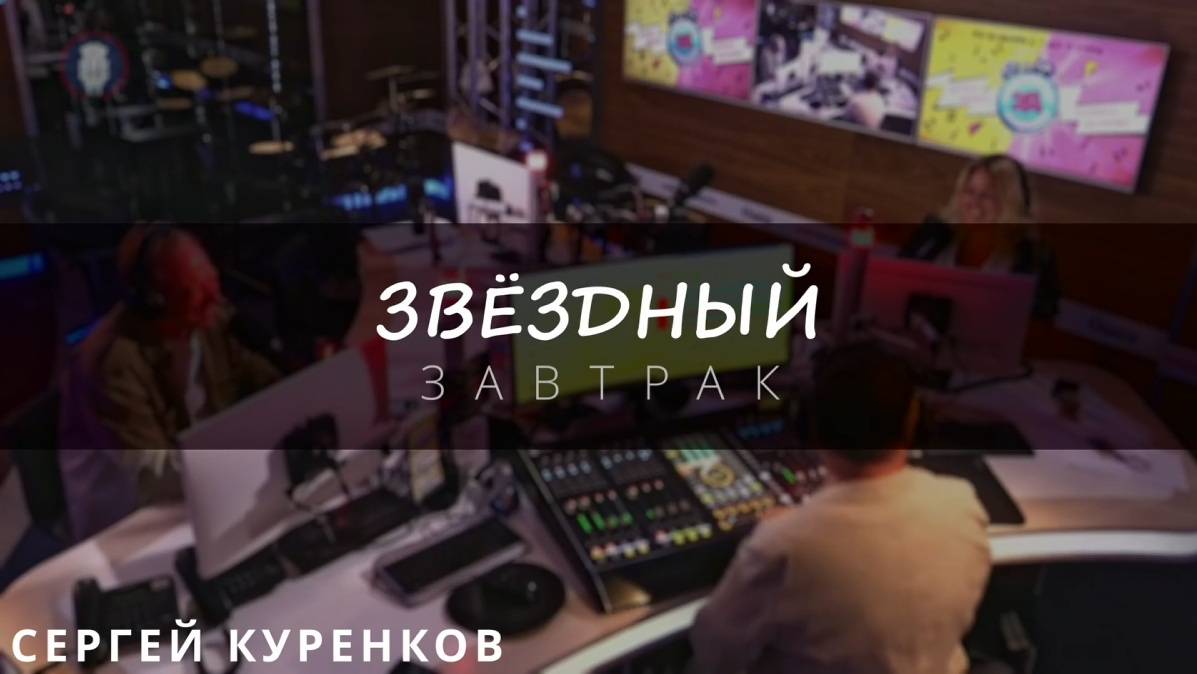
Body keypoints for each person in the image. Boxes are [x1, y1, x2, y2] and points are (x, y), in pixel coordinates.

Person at [689, 344, 992, 674]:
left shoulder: (781, 546)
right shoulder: (962, 503)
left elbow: (713, 656)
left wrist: (786, 530)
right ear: (914, 422)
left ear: (810, 427)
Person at [57, 225, 280, 539]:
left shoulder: (209, 320)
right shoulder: (113, 362)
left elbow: (267, 384)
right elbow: (154, 476)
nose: (216, 299)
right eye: (194, 292)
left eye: (213, 281)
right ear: (154, 300)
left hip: (200, 498)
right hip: (129, 530)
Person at [903, 156, 1060, 317]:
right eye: (969, 191)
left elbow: (1041, 320)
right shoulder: (933, 233)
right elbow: (897, 284)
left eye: (987, 196)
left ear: (1010, 203)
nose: (974, 202)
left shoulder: (1034, 257)